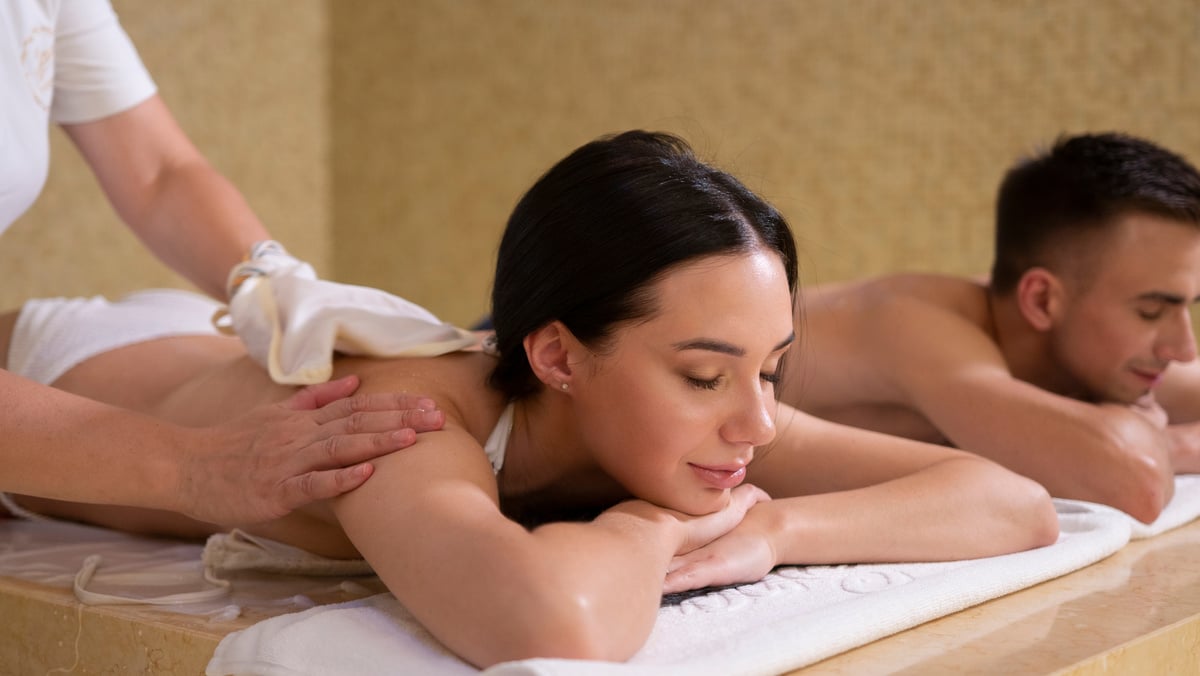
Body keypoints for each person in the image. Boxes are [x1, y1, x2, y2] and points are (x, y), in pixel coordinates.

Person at [0, 131, 1058, 667]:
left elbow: (1012, 501)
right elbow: (550, 623)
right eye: (705, 374)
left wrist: (776, 528)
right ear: (557, 355)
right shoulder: (405, 425)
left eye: (771, 366)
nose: (758, 422)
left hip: (194, 343)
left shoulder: (685, 424)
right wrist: (647, 529)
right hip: (61, 372)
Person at [2, 0, 452, 525]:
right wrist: (189, 468)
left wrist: (271, 280)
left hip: (137, 336)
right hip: (60, 365)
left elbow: (160, 172)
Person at [781, 132, 1200, 525]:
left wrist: (1147, 437)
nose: (1184, 348)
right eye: (1151, 311)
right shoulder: (915, 325)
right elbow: (1134, 483)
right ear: (1040, 300)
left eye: (1187, 307)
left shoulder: (1086, 344)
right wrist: (1172, 445)